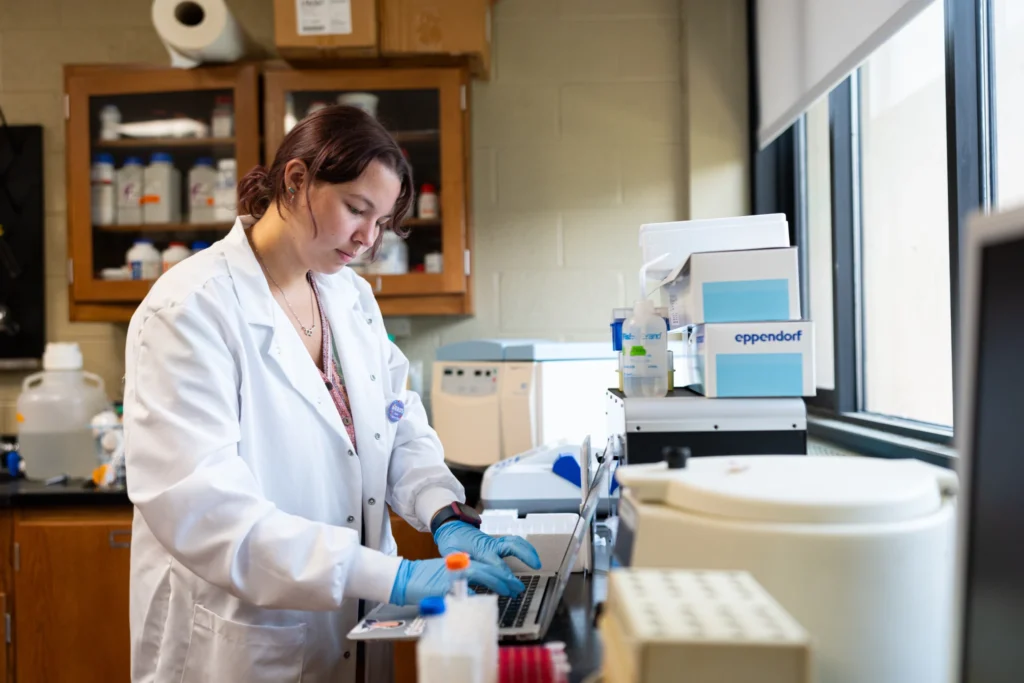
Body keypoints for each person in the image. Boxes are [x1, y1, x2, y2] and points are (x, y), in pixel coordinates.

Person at [123, 105, 541, 683]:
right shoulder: (190, 309)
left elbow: (397, 423)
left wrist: (443, 511)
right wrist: (389, 577)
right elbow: (206, 513)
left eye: (382, 221)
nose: (368, 239)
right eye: (356, 210)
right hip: (241, 641)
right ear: (296, 180)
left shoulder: (348, 297)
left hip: (354, 628)